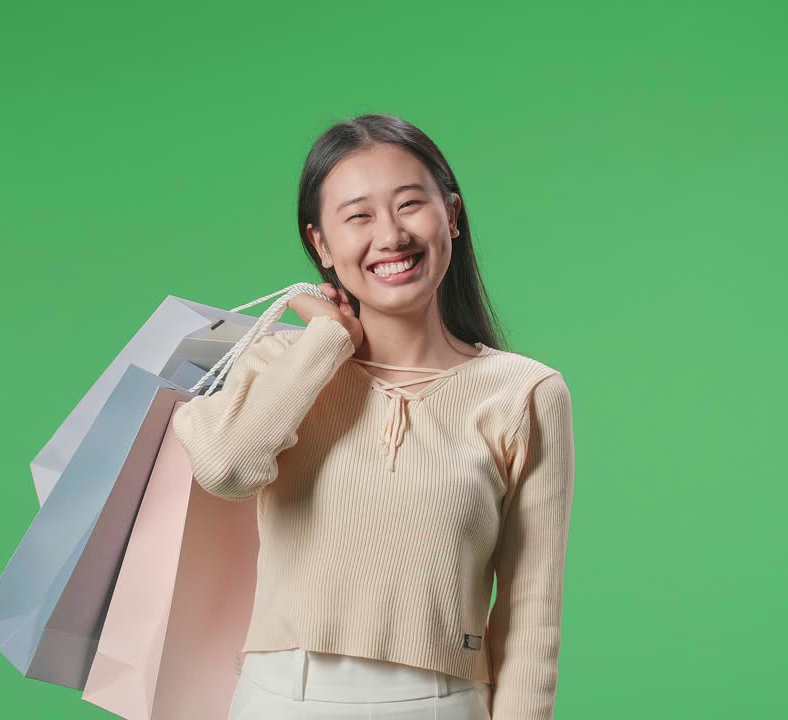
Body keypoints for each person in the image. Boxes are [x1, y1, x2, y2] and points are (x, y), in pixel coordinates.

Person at [171, 113, 576, 720]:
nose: (390, 236)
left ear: (453, 216)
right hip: (280, 701)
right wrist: (327, 339)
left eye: (410, 204)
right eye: (358, 216)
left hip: (442, 706)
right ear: (321, 245)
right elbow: (227, 468)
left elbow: (529, 619)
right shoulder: (282, 364)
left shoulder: (525, 392)